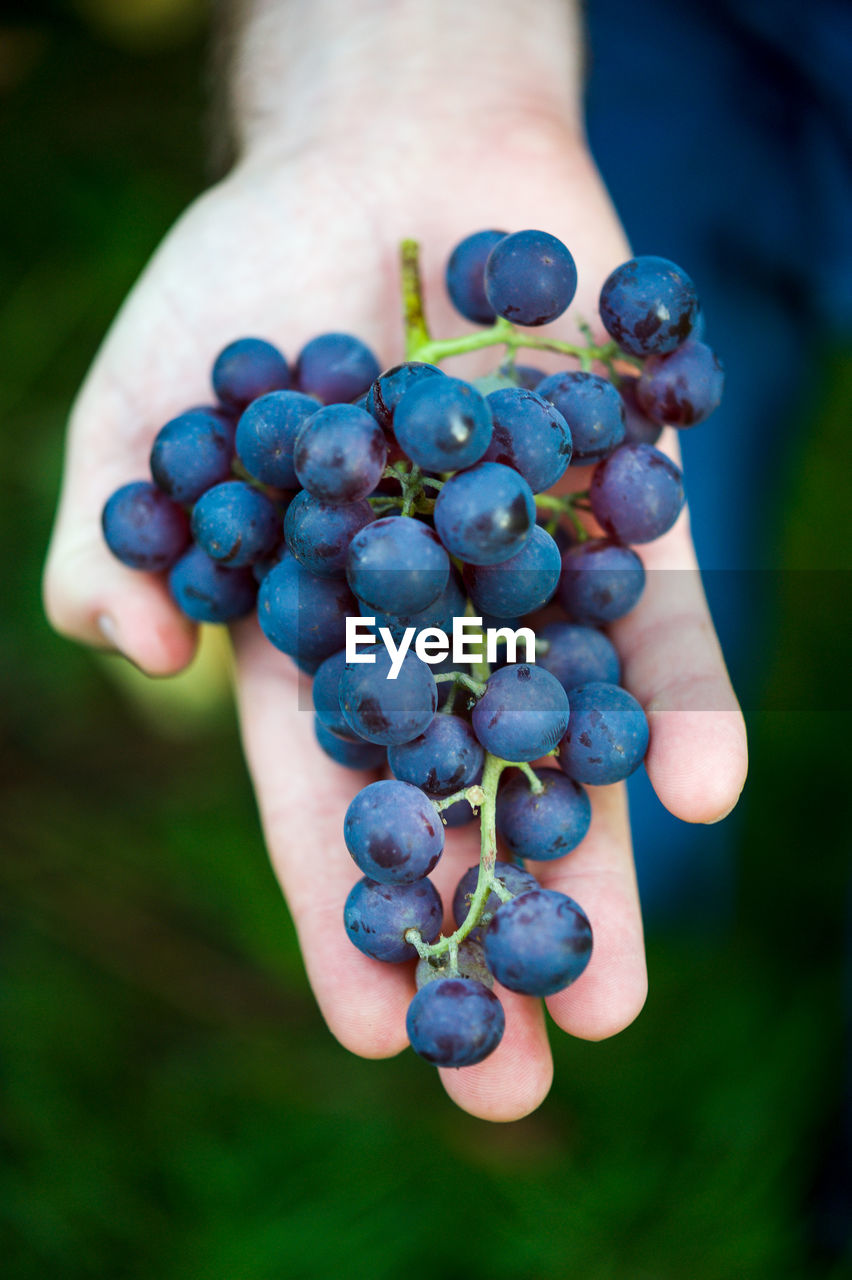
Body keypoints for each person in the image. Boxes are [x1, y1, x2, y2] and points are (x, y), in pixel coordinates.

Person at [42, 0, 748, 1123]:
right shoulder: (385, 499)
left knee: (660, 587)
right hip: (673, 41)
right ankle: (696, 903)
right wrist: (384, 79)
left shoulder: (471, 481)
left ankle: (702, 908)